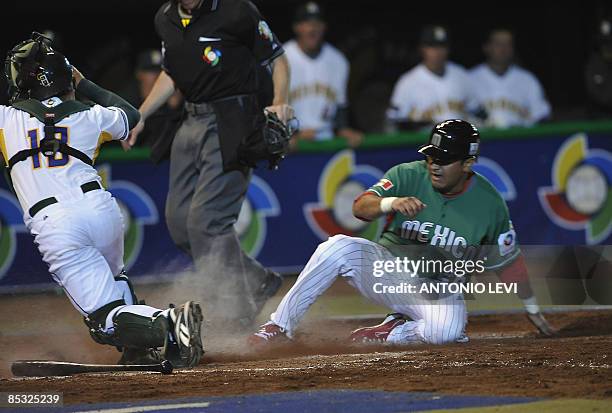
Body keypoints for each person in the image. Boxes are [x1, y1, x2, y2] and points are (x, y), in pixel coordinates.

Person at [250, 119, 556, 346]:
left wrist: (532, 307)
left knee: (447, 332)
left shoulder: (490, 204)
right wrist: (391, 202)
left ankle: (391, 332)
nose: (434, 165)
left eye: (445, 160)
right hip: (387, 271)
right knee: (337, 246)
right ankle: (279, 326)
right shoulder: (408, 174)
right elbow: (360, 207)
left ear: (468, 163)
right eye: (431, 156)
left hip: (437, 288)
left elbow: (507, 260)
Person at [0, 34, 203, 367]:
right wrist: (84, 83)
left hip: (57, 224)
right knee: (114, 279)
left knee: (105, 321)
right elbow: (130, 117)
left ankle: (167, 324)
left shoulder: (6, 119)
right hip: (102, 211)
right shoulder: (90, 115)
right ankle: (137, 348)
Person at [125, 0, 293, 330]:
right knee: (178, 222)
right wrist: (141, 115)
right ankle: (256, 280)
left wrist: (279, 102)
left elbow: (278, 58)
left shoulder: (236, 10)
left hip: (233, 119)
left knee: (207, 222)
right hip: (190, 121)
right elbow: (170, 72)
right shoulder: (165, 17)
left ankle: (234, 311)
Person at [284, 2, 363, 147]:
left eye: (317, 23)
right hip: (291, 144)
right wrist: (288, 134)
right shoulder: (282, 59)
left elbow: (340, 107)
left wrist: (344, 130)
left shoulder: (338, 61)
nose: (313, 29)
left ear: (324, 27)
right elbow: (269, 105)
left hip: (327, 143)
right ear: (296, 27)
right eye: (307, 23)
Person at [387, 25, 475, 131]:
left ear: (448, 49)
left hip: (458, 142)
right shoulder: (407, 82)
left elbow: (478, 112)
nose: (437, 52)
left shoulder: (461, 75)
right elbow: (393, 121)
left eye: (442, 46)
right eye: (432, 46)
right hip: (424, 142)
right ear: (422, 49)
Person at [470, 28, 551, 128]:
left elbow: (541, 115)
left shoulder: (527, 79)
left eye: (508, 44)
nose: (503, 49)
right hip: (483, 140)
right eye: (498, 44)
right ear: (486, 47)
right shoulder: (470, 79)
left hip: (518, 139)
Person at [585, 18, 612, 118]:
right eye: (606, 43)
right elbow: (598, 95)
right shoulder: (594, 64)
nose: (609, 48)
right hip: (601, 115)